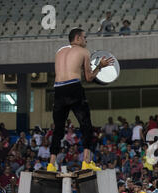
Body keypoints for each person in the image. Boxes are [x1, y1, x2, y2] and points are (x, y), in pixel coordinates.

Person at [47, 28, 114, 172]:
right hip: (74, 88)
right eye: (84, 37)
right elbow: (89, 78)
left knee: (58, 130)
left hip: (58, 89)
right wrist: (100, 66)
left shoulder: (59, 51)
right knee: (86, 126)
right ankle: (86, 161)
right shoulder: (84, 52)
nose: (86, 40)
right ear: (77, 38)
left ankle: (51, 164)